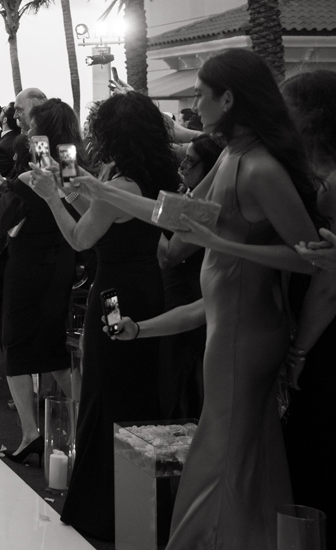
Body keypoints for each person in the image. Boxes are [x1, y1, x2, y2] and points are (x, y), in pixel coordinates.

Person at [86, 49, 321, 550]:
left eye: (201, 94)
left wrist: (225, 246)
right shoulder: (233, 155)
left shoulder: (258, 167)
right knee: (240, 461)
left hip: (247, 334)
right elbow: (178, 218)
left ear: (228, 99)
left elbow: (309, 257)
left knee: (219, 460)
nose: (194, 104)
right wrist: (100, 191)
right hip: (229, 324)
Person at [27, 93, 176, 542]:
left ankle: (101, 509)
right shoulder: (150, 176)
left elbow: (80, 237)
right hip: (147, 289)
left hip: (115, 296)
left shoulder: (122, 186)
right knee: (135, 394)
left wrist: (52, 198)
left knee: (105, 395)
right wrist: (75, 188)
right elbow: (102, 216)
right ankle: (140, 504)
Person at [0, 98, 75, 465]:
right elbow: (73, 201)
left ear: (42, 130)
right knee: (53, 347)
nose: (26, 129)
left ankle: (30, 433)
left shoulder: (32, 172)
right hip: (62, 261)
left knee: (17, 344)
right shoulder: (69, 162)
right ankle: (86, 422)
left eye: (32, 125)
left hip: (28, 265)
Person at [278, 71, 336, 546]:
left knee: (315, 454)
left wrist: (299, 351)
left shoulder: (331, 184)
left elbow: (327, 286)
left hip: (325, 342)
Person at [157, 133, 223, 420]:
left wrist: (145, 223)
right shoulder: (187, 194)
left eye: (190, 161)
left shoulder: (207, 207)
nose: (182, 166)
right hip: (176, 295)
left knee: (182, 385)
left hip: (191, 297)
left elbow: (169, 255)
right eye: (183, 159)